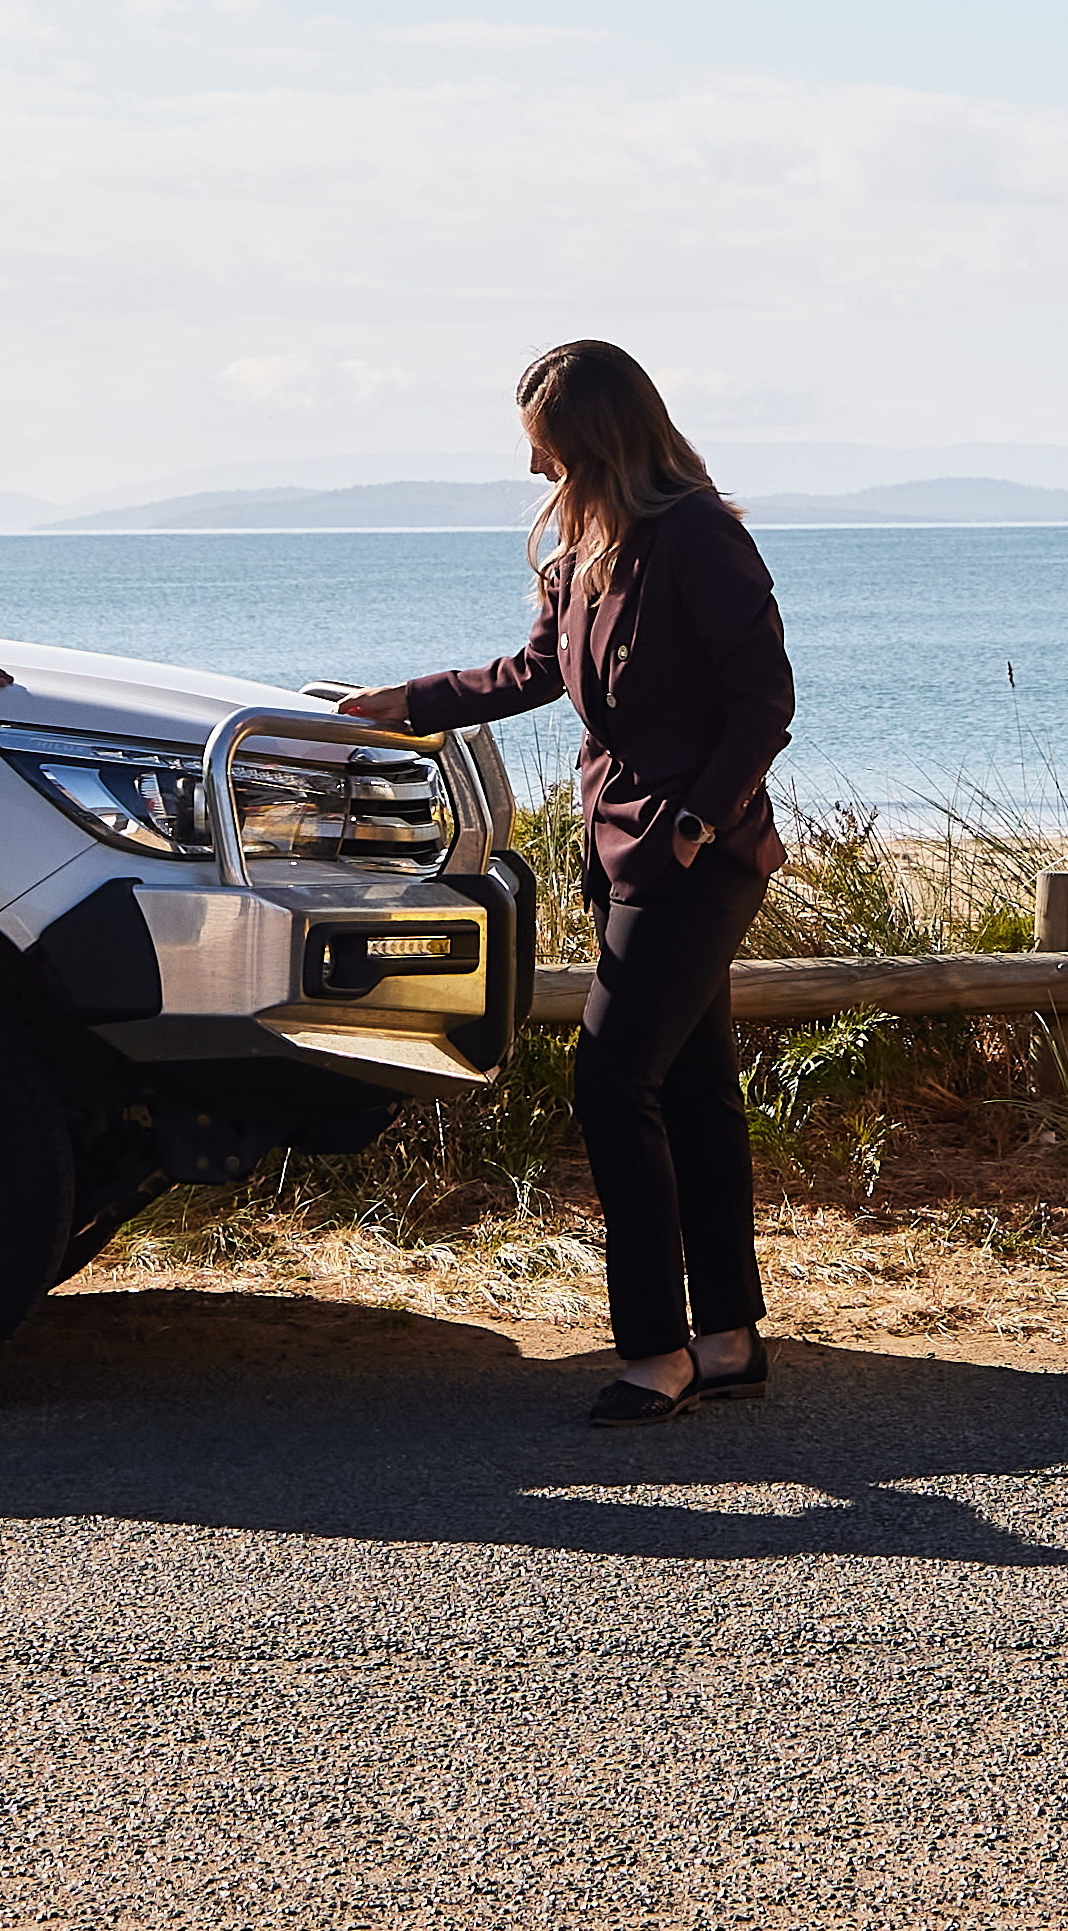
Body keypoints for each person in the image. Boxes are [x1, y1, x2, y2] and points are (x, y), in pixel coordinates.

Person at [314, 342, 795, 1422]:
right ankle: (725, 1335)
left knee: (610, 1083)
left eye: (549, 449)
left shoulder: (701, 540)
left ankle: (656, 1352)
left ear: (600, 442)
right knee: (691, 1090)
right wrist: (410, 699)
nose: (536, 471)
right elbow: (535, 670)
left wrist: (689, 822)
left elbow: (762, 703)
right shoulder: (582, 545)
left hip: (691, 860)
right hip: (621, 852)